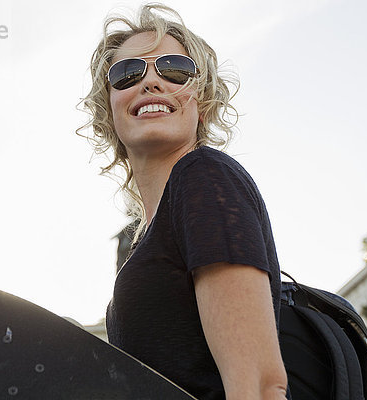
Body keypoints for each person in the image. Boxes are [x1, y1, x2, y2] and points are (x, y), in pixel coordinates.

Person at [78, 4, 288, 400]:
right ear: (110, 105)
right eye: (127, 74)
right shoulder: (143, 240)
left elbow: (260, 387)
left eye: (174, 69)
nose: (151, 82)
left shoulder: (203, 177)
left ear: (201, 99)